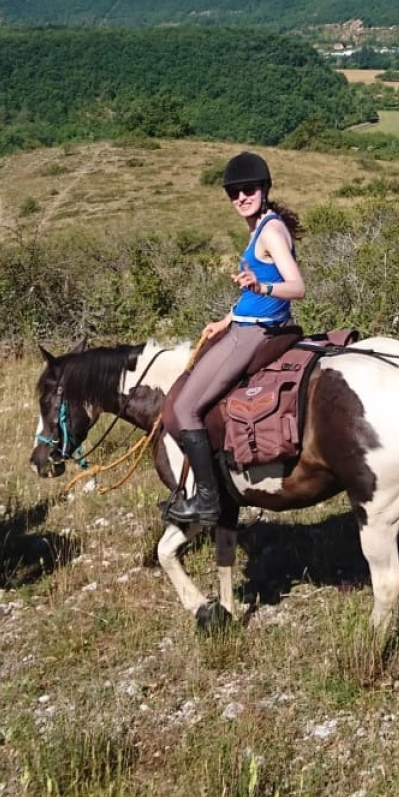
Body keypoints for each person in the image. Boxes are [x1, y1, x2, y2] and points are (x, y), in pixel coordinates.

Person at [160, 152, 308, 527]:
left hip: (253, 333)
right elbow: (252, 294)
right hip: (242, 324)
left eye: (248, 189)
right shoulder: (259, 227)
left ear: (264, 189)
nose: (241, 197)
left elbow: (298, 287)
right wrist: (226, 318)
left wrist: (262, 284)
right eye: (234, 192)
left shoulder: (271, 231)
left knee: (185, 409)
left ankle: (208, 500)